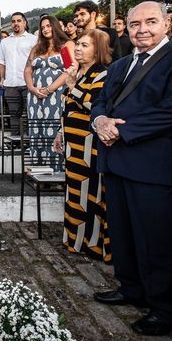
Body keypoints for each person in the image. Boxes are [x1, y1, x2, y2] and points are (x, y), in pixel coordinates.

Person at [91, 1, 172, 336]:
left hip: (156, 167)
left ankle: (167, 310)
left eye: (150, 21)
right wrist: (99, 119)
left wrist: (119, 130)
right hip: (116, 163)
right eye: (134, 24)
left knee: (160, 242)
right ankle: (131, 288)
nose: (141, 29)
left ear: (167, 23)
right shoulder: (119, 65)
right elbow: (101, 101)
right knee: (124, 235)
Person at [53, 29, 111, 262]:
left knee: (92, 193)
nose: (77, 48)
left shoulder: (102, 75)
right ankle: (75, 239)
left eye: (84, 45)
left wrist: (72, 85)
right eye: (77, 44)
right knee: (74, 191)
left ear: (97, 50)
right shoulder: (78, 73)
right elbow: (69, 107)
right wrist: (60, 132)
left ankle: (94, 245)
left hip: (91, 146)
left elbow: (95, 106)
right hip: (73, 144)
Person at [24, 15, 74, 162]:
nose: (45, 29)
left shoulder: (66, 45)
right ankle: (39, 170)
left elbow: (69, 70)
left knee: (54, 128)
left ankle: (56, 170)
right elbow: (27, 70)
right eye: (43, 27)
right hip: (35, 96)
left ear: (55, 26)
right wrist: (32, 88)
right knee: (37, 130)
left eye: (48, 26)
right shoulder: (37, 48)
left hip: (57, 95)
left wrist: (49, 89)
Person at [0, 12, 36, 135]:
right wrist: (2, 78)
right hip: (11, 84)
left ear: (25, 23)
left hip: (28, 83)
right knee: (14, 114)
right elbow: (1, 61)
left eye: (19, 21)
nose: (16, 23)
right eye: (13, 21)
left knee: (30, 113)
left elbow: (37, 60)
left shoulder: (33, 39)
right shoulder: (5, 42)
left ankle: (30, 141)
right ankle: (15, 140)